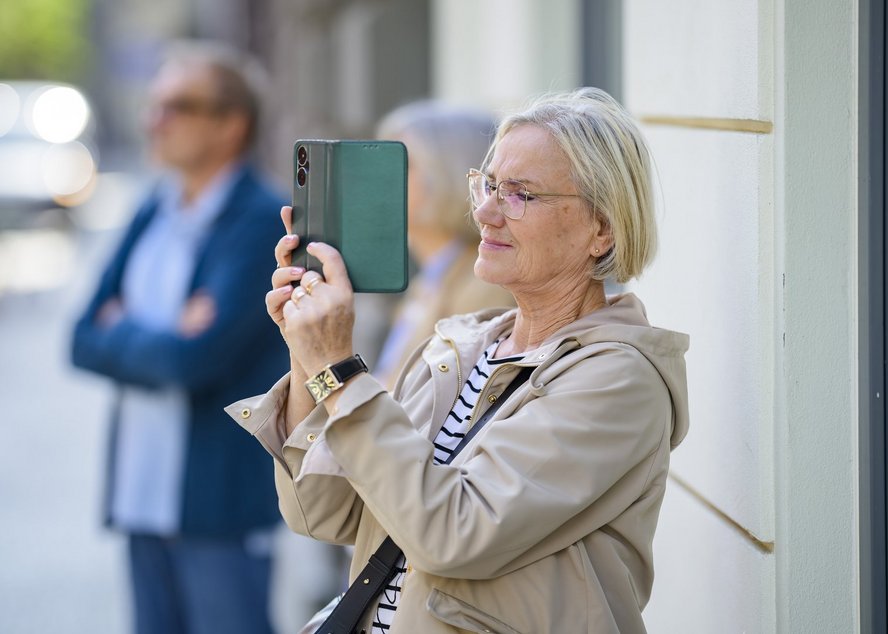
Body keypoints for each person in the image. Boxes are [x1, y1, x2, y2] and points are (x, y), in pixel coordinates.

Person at [229, 87, 689, 633]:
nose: (487, 213)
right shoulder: (460, 346)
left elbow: (452, 533)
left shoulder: (618, 378)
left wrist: (339, 366)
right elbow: (327, 509)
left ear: (602, 229)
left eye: (521, 195)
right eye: (488, 185)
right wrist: (307, 354)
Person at [71, 41, 285, 634]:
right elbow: (80, 337)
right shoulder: (154, 209)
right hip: (141, 494)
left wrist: (128, 329)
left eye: (178, 106)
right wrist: (162, 335)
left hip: (217, 505)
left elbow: (198, 360)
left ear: (230, 124)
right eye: (154, 103)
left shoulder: (261, 219)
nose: (153, 120)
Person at [372, 100, 516, 388]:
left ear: (450, 173)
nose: (379, 175)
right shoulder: (426, 283)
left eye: (402, 162)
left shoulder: (486, 289)